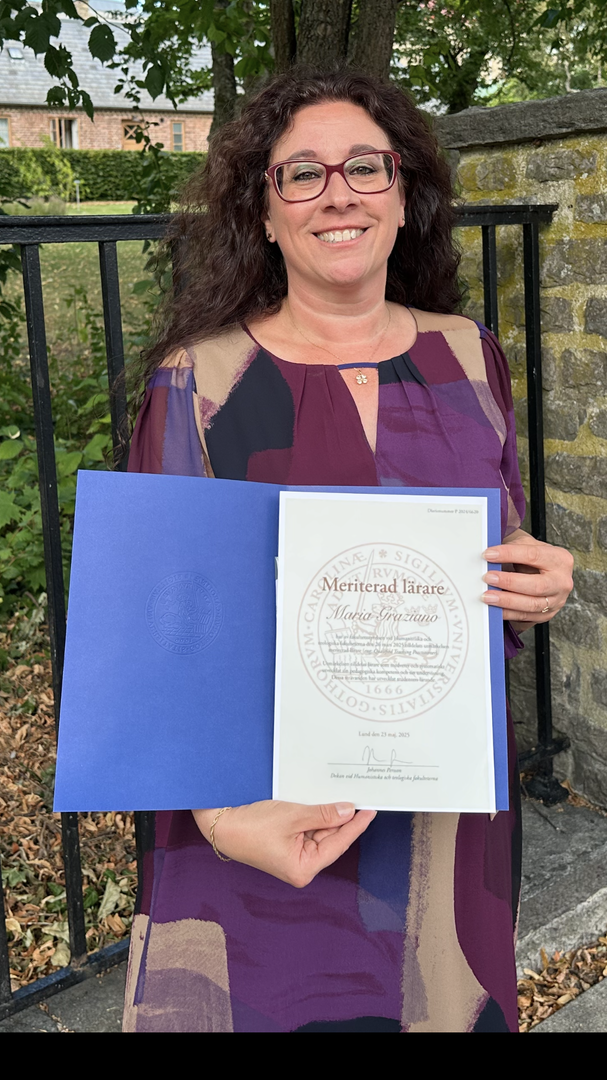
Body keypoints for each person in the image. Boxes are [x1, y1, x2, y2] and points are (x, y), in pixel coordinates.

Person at [122, 69, 573, 1033]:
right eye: (303, 175)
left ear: (404, 194)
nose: (339, 193)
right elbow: (159, 637)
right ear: (267, 214)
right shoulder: (198, 383)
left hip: (441, 822)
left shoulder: (467, 354)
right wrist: (223, 817)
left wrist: (535, 580)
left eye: (365, 166)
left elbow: (499, 542)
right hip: (260, 818)